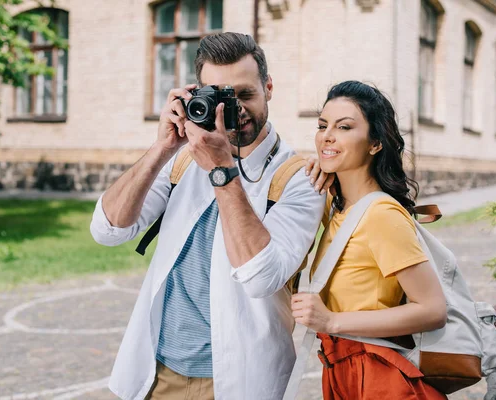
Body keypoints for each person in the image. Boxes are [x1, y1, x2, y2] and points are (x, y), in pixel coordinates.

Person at [90, 32, 324, 400]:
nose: (234, 110)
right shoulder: (183, 157)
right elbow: (108, 229)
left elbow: (261, 277)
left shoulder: (299, 179)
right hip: (157, 369)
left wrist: (221, 169)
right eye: (220, 97)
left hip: (234, 380)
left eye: (244, 95)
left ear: (269, 87)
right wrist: (163, 146)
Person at [293, 81, 448, 399]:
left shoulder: (381, 215)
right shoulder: (339, 208)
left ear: (375, 143)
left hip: (378, 376)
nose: (327, 136)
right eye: (323, 125)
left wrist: (332, 320)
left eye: (344, 126)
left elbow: (433, 310)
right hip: (342, 371)